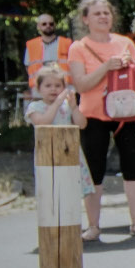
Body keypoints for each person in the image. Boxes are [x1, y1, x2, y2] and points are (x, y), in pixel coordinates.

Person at [65, 0, 135, 238]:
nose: (103, 17)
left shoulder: (125, 43)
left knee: (133, 168)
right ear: (85, 19)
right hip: (93, 116)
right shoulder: (78, 47)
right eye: (97, 13)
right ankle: (93, 226)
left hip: (127, 114)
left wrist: (128, 66)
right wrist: (107, 67)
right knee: (94, 171)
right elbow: (81, 85)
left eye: (106, 12)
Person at [24, 64, 94, 213]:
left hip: (70, 153)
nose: (53, 89)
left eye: (57, 86)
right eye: (48, 85)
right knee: (52, 191)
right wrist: (57, 103)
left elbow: (82, 124)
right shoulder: (35, 107)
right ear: (39, 88)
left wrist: (74, 107)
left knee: (73, 189)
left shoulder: (66, 106)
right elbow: (43, 122)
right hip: (48, 155)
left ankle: (77, 219)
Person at [23, 13, 73, 95]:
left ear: (55, 25)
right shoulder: (31, 45)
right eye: (44, 24)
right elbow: (27, 67)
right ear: (38, 26)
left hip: (64, 86)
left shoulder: (67, 43)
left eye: (51, 24)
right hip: (39, 88)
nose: (48, 26)